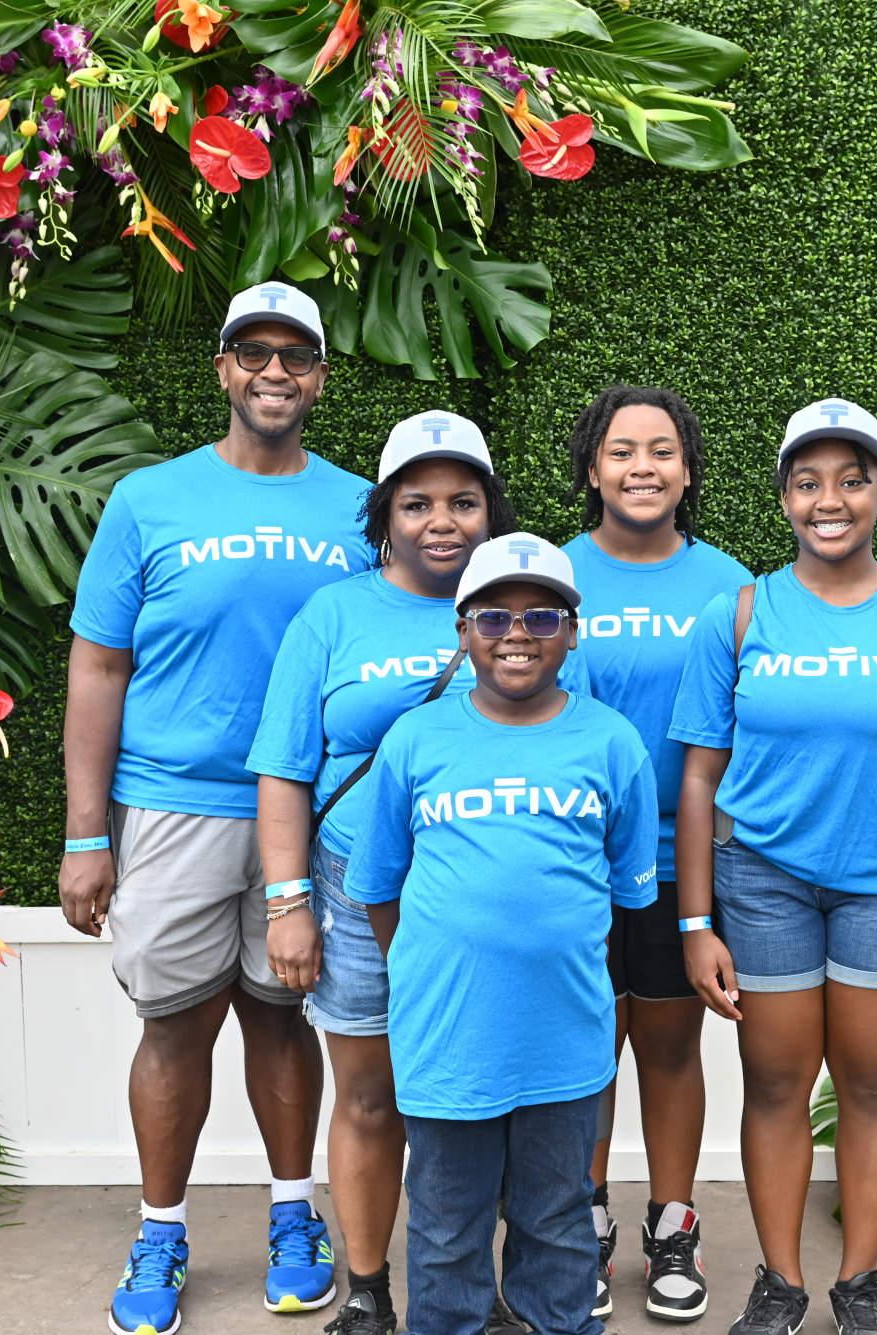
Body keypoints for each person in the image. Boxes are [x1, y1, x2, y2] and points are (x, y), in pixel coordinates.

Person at [64, 282, 368, 1335]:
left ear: (320, 376)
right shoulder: (150, 501)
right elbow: (99, 667)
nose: (275, 370)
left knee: (281, 1017)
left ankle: (295, 1220)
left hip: (319, 815)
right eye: (254, 351)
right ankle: (160, 1230)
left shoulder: (360, 508)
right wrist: (84, 835)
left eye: (296, 354)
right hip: (175, 805)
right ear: (223, 369)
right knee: (175, 1024)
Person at [668, 399, 877, 1335]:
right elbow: (698, 779)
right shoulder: (736, 616)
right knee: (774, 1081)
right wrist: (696, 925)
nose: (831, 498)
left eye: (852, 479)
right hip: (764, 882)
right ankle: (780, 1281)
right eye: (808, 481)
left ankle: (859, 1284)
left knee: (869, 1079)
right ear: (783, 499)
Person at [250, 412, 582, 1335]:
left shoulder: (527, 606)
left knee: (502, 1092)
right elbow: (284, 767)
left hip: (490, 903)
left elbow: (575, 746)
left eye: (464, 501)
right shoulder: (335, 614)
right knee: (370, 1094)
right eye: (418, 501)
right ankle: (367, 1286)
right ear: (384, 515)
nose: (443, 520)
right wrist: (289, 903)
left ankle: (507, 1293)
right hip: (361, 893)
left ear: (491, 510)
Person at [344, 534, 659, 1335]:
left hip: (563, 1045)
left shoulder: (613, 743)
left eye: (542, 615)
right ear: (462, 630)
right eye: (493, 616)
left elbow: (624, 889)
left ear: (573, 631)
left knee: (557, 1223)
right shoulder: (415, 740)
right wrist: (428, 968)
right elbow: (378, 887)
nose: (517, 632)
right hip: (448, 1043)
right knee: (447, 1233)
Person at [560, 387, 750, 1323]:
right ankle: (582, 1223)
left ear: (687, 471)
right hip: (572, 865)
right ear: (592, 467)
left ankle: (673, 1226)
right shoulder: (547, 576)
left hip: (685, 866)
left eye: (663, 451)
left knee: (671, 1048)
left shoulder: (732, 587)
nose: (644, 467)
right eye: (623, 450)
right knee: (587, 1053)